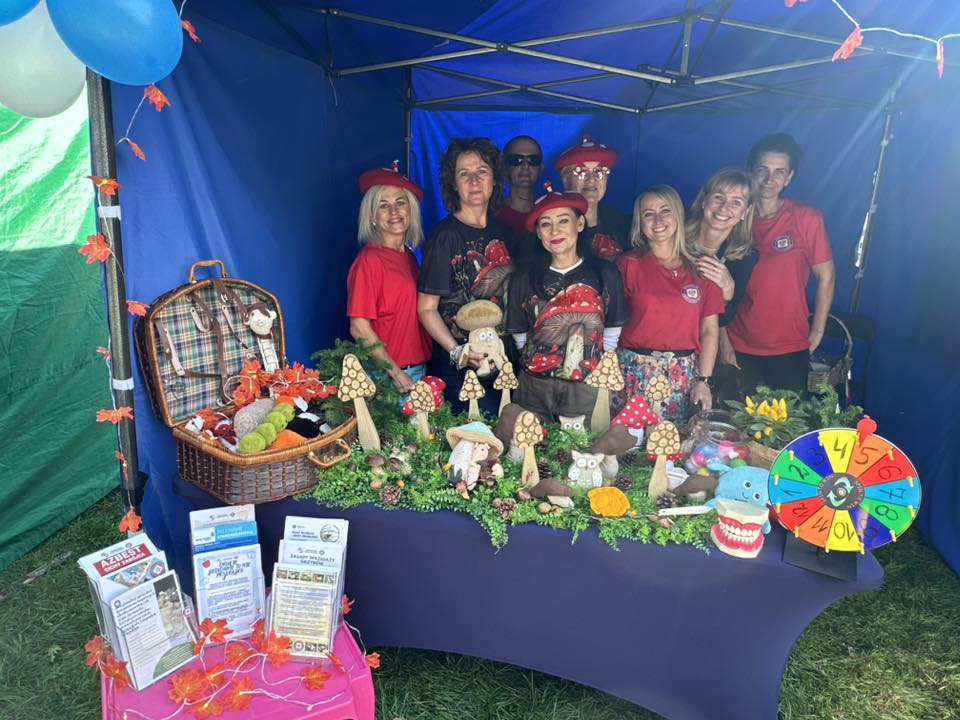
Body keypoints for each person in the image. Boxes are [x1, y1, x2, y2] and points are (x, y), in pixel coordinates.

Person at [506, 184, 626, 424]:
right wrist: (540, 364)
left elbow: (612, 328)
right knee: (528, 441)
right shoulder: (523, 278)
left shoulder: (605, 274)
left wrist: (595, 367)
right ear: (538, 233)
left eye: (563, 221)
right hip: (534, 387)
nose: (555, 230)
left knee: (582, 444)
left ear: (579, 224)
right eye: (545, 224)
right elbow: (519, 333)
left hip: (586, 386)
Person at [725, 133, 835, 392]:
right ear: (750, 171)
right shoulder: (732, 217)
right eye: (762, 169)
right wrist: (722, 341)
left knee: (785, 417)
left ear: (789, 177)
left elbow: (826, 277)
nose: (768, 179)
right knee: (731, 415)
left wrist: (817, 332)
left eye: (779, 172)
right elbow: (714, 288)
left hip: (789, 346)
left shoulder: (806, 218)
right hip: (738, 343)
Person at [418, 137, 515, 414]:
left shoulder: (505, 232)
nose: (474, 181)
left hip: (503, 360)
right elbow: (426, 308)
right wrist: (456, 351)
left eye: (482, 171)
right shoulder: (444, 236)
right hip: (462, 368)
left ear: (494, 179)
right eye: (464, 174)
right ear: (454, 184)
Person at [614, 185, 723, 423]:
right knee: (628, 441)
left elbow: (709, 330)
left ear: (678, 215)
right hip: (632, 370)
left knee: (672, 442)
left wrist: (703, 380)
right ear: (639, 223)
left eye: (665, 211)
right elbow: (611, 323)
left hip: (682, 375)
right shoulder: (628, 264)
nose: (658, 220)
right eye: (648, 214)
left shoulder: (703, 267)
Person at [347, 162, 433, 394]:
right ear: (372, 216)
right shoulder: (369, 260)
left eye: (400, 202)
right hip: (389, 376)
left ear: (410, 209)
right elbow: (359, 327)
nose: (394, 212)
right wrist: (395, 373)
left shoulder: (409, 256)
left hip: (417, 368)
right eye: (383, 206)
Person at [684, 167, 759, 400]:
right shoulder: (674, 232)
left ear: (746, 211)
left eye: (736, 202)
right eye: (719, 197)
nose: (725, 208)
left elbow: (724, 319)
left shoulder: (744, 257)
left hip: (701, 348)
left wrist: (728, 292)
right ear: (704, 200)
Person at [556, 135, 630, 262]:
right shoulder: (549, 225)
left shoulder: (620, 222)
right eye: (581, 172)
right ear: (565, 180)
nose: (591, 179)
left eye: (599, 172)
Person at [494, 134, 544, 261]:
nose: (525, 167)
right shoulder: (490, 215)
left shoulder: (551, 212)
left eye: (533, 160)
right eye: (516, 160)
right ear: (504, 167)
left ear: (541, 168)